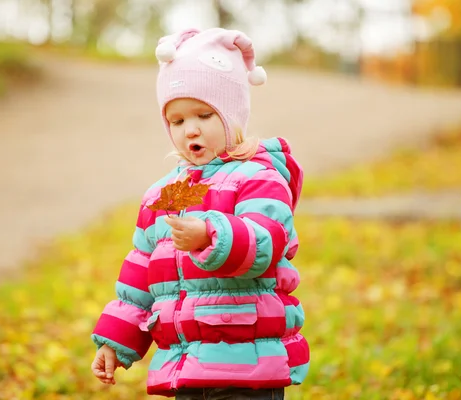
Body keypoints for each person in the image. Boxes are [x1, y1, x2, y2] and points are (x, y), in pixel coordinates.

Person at [91, 27, 309, 400]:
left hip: (247, 364)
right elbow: (141, 274)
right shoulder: (164, 194)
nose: (190, 128)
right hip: (186, 367)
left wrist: (209, 235)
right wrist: (116, 341)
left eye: (204, 114)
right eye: (176, 121)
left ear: (232, 113)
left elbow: (265, 242)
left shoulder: (259, 177)